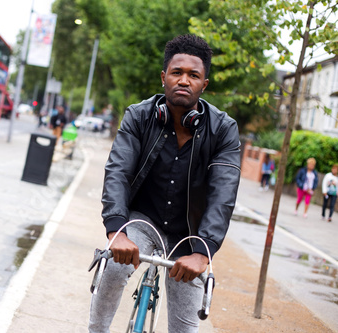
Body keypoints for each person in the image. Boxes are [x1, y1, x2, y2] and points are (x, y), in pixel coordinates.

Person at [89, 34, 241, 333]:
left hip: (191, 235)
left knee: (185, 328)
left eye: (193, 75)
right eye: (177, 72)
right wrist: (116, 229)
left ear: (204, 84)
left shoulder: (224, 129)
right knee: (114, 267)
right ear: (164, 77)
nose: (184, 80)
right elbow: (118, 171)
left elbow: (223, 193)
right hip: (142, 221)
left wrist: (203, 251)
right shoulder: (138, 115)